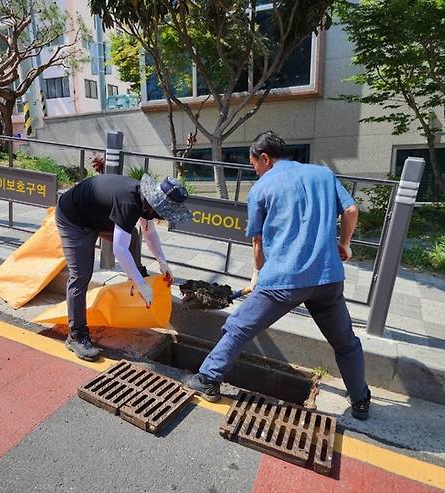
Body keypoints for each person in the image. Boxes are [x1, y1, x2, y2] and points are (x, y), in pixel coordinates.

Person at [183, 131, 371, 420]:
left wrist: (256, 274)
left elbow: (257, 243)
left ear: (266, 159)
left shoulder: (262, 188)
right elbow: (351, 210)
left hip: (284, 279)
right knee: (346, 342)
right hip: (328, 278)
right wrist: (344, 244)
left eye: (254, 164)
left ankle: (207, 379)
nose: (254, 170)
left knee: (239, 326)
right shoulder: (323, 174)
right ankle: (360, 400)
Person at [56, 173, 192, 361]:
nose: (163, 218)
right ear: (156, 206)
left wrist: (162, 262)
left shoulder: (145, 199)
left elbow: (149, 232)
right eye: (164, 214)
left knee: (132, 236)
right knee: (80, 276)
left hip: (97, 215)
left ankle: (135, 277)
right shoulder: (130, 203)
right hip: (74, 219)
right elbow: (119, 251)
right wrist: (142, 286)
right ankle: (77, 335)